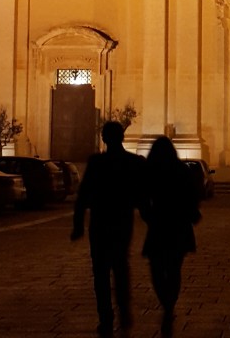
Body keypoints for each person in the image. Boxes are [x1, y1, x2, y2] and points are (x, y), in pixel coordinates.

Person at [71, 120, 147, 337]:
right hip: (122, 224)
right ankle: (124, 313)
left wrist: (78, 225)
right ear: (122, 137)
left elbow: (83, 195)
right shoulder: (133, 162)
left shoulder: (96, 162)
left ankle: (105, 318)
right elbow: (141, 195)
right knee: (121, 268)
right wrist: (150, 218)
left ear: (104, 138)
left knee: (100, 273)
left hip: (100, 225)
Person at [142, 135, 201, 334]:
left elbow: (143, 199)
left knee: (157, 268)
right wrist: (192, 214)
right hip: (179, 227)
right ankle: (170, 304)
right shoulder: (181, 171)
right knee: (174, 268)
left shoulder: (151, 172)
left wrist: (149, 217)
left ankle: (165, 301)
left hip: (158, 226)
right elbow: (192, 196)